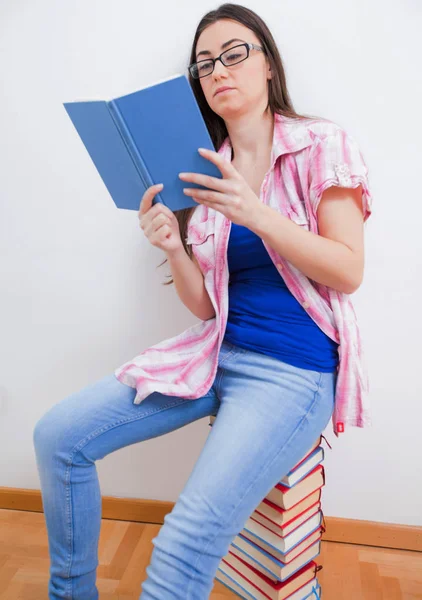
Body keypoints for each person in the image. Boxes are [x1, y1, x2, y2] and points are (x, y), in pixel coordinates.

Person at [33, 3, 373, 599]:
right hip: (215, 353)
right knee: (58, 437)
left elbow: (348, 270)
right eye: (205, 63)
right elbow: (205, 309)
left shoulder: (321, 143)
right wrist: (173, 248)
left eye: (236, 53)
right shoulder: (200, 169)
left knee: (182, 545)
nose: (219, 69)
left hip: (292, 373)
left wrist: (256, 214)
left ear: (268, 64)